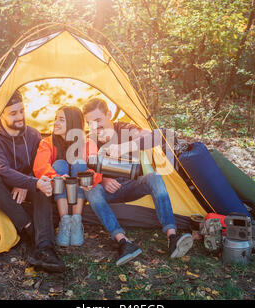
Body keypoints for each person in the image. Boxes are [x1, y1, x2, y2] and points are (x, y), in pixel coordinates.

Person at [82, 98, 194, 266]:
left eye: (98, 120)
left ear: (109, 115)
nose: (95, 126)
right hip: (107, 192)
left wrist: (124, 147)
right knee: (90, 190)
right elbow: (85, 171)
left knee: (154, 177)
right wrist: (103, 179)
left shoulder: (125, 129)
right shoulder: (89, 139)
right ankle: (123, 242)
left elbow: (158, 136)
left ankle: (172, 236)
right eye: (90, 123)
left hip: (131, 186)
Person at [0, 90, 65, 273]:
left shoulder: (33, 135)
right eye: (13, 113)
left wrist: (27, 183)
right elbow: (0, 169)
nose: (20, 117)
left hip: (27, 185)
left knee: (41, 183)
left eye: (21, 111)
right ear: (0, 114)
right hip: (3, 187)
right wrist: (29, 182)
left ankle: (45, 248)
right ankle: (29, 228)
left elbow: (38, 165)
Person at [33, 106, 102, 247]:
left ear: (72, 122)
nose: (56, 123)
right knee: (59, 163)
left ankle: (76, 222)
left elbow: (96, 169)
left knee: (79, 164)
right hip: (58, 189)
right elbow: (40, 167)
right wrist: (57, 176)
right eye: (55, 119)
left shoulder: (89, 143)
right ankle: (64, 221)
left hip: (80, 189)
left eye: (61, 120)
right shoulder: (47, 143)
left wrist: (91, 179)